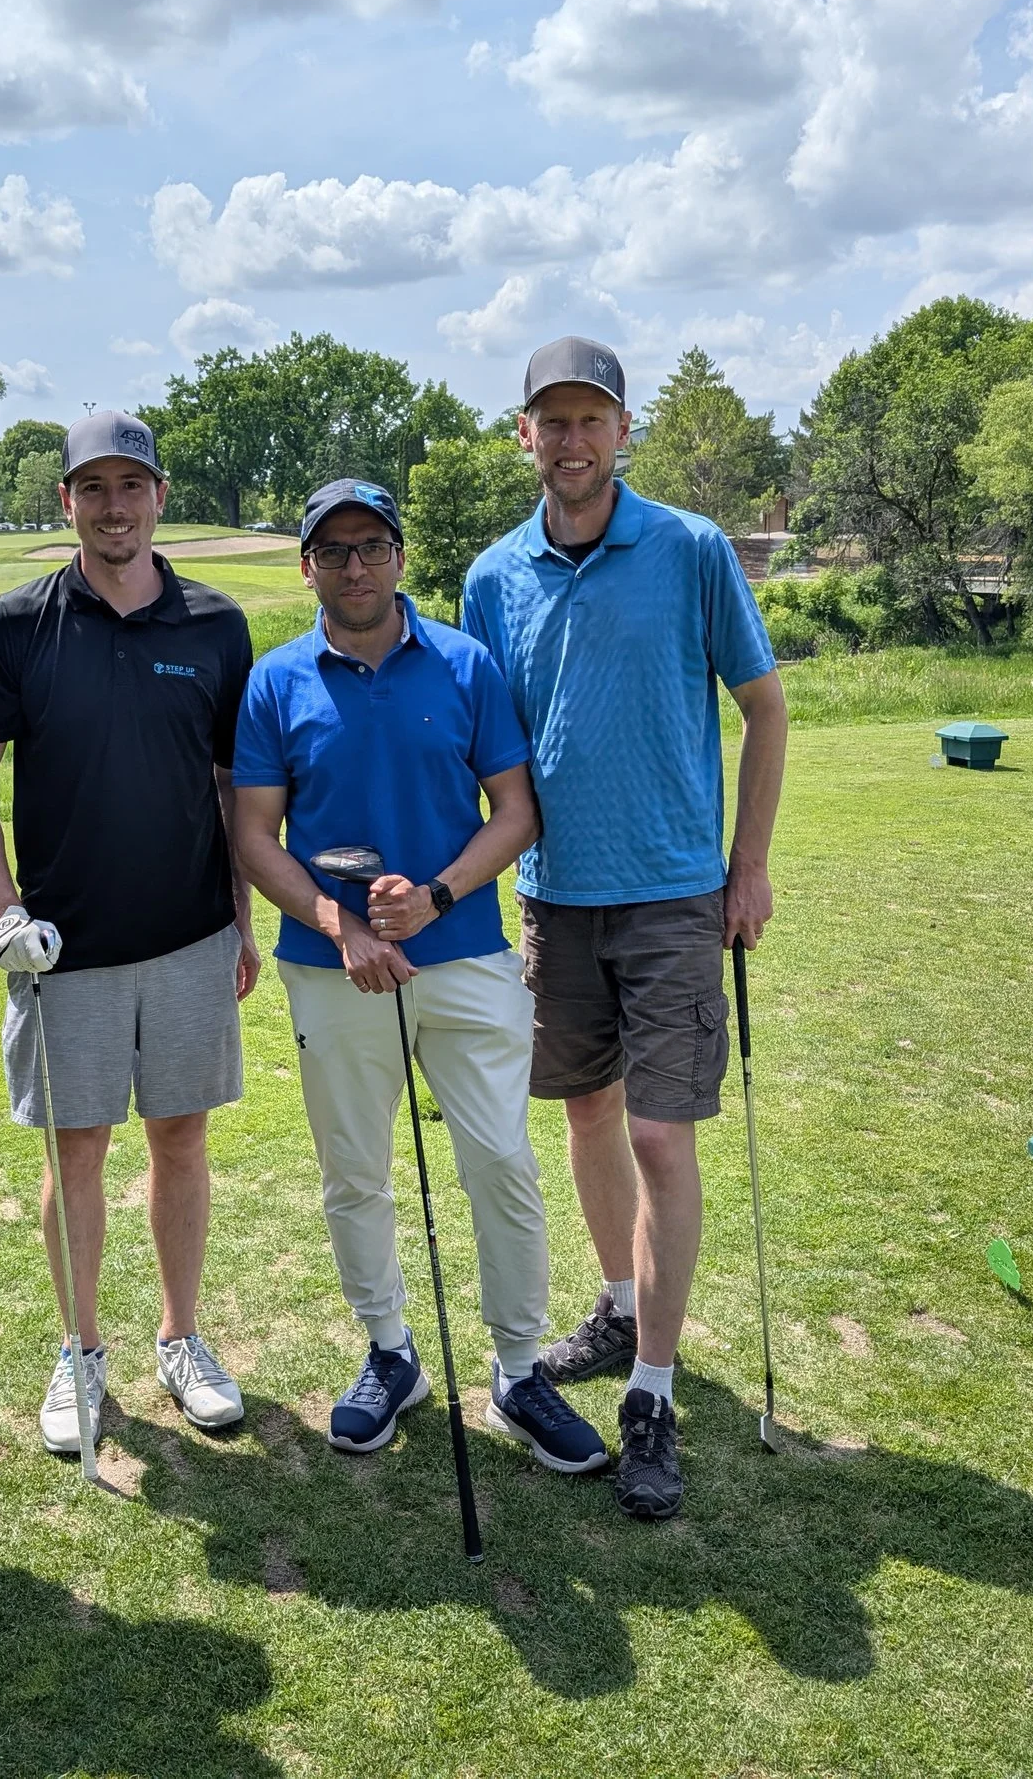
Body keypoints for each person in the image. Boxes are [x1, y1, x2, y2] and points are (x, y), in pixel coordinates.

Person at [460, 338, 789, 1521]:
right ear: (525, 436)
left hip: (671, 895)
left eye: (589, 419)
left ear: (623, 429)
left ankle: (650, 1391)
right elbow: (487, 744)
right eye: (551, 422)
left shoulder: (692, 549)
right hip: (554, 893)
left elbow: (762, 707)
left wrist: (746, 866)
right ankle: (616, 1303)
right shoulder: (492, 575)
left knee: (660, 1136)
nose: (571, 440)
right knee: (586, 1110)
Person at [232, 479, 607, 1472]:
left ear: (399, 555)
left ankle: (519, 1369)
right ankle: (390, 1353)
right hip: (332, 968)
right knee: (354, 1172)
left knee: (502, 1165)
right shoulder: (277, 681)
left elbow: (516, 811)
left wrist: (435, 896)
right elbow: (253, 834)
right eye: (333, 550)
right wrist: (338, 922)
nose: (354, 566)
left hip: (464, 952)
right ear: (305, 564)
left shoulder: (464, 662)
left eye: (372, 546)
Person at [0, 410, 260, 1457]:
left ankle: (179, 1337)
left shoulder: (216, 625)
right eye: (94, 488)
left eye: (132, 486)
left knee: (181, 1137)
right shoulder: (15, 627)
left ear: (159, 496)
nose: (113, 505)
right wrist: (3, 909)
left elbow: (231, 789)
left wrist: (241, 922)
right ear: (66, 501)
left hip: (186, 938)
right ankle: (81, 1351)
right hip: (62, 952)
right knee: (74, 1149)